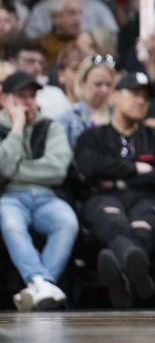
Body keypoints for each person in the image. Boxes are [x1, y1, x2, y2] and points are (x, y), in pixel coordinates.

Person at [73, 72, 155, 308]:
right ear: (115, 97)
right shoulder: (94, 136)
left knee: (143, 224)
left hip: (147, 199)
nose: (141, 101)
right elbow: (88, 165)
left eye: (145, 97)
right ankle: (143, 291)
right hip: (104, 199)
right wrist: (134, 168)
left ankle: (121, 274)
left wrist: (120, 180)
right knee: (113, 222)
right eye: (134, 95)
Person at [0, 71, 77, 312]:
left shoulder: (51, 127)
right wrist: (17, 128)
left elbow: (56, 170)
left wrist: (16, 169)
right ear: (5, 99)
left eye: (31, 96)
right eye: (20, 96)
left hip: (47, 196)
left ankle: (38, 285)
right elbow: (1, 169)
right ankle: (43, 285)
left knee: (67, 222)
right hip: (10, 197)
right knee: (11, 224)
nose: (27, 102)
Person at [56, 53, 116, 147]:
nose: (104, 90)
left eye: (108, 84)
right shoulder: (67, 118)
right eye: (98, 84)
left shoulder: (119, 116)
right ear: (82, 83)